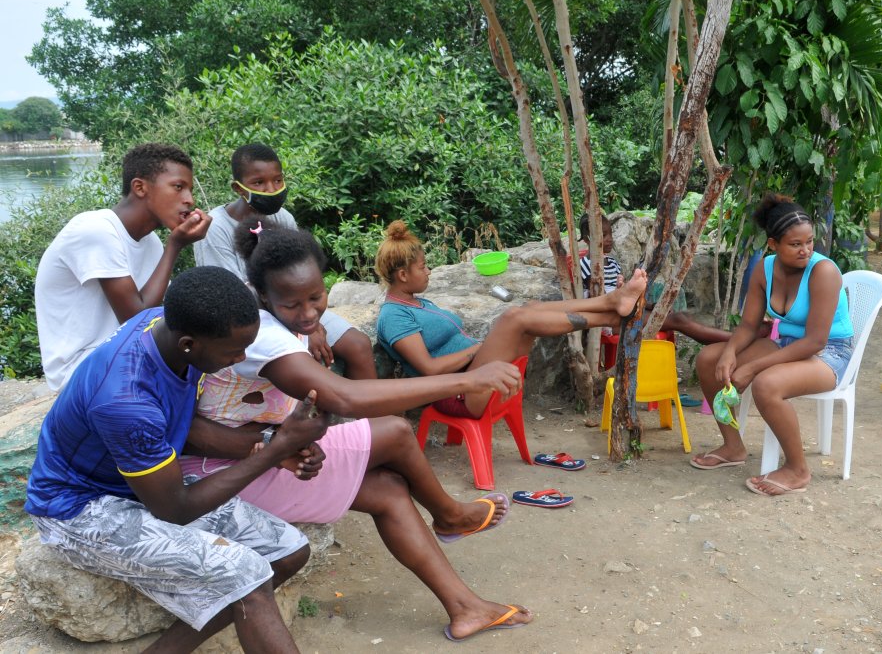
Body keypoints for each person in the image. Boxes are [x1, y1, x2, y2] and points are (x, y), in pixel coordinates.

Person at [181, 218, 533, 641]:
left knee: (387, 489)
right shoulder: (263, 337)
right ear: (262, 295)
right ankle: (451, 516)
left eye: (317, 297)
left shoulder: (278, 326)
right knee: (397, 433)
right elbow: (344, 398)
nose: (310, 312)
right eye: (293, 304)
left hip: (259, 454)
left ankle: (466, 607)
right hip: (225, 474)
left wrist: (303, 332)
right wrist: (467, 379)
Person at [25, 266, 329, 653]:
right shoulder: (125, 399)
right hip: (76, 509)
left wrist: (274, 442)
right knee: (248, 573)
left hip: (140, 484)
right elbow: (175, 509)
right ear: (188, 344)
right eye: (234, 351)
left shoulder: (163, 323)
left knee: (289, 550)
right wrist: (275, 449)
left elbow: (185, 425)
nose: (243, 357)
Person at [376, 219, 648, 419]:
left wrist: (479, 350)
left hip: (478, 376)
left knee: (529, 307)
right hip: (459, 392)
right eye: (423, 267)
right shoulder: (394, 315)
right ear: (402, 275)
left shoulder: (417, 303)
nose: (429, 271)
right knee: (514, 317)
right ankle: (610, 312)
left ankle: (612, 309)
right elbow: (429, 370)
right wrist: (477, 348)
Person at [689, 193, 855, 496]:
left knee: (766, 383)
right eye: (795, 244)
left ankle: (797, 469)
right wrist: (729, 353)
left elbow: (815, 341)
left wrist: (751, 367)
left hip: (829, 352)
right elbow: (750, 325)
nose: (805, 250)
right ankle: (732, 447)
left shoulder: (824, 271)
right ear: (773, 245)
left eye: (809, 242)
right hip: (787, 343)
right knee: (709, 359)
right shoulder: (765, 269)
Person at [35, 142, 211, 390]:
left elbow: (161, 315)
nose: (189, 200)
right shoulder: (96, 229)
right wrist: (175, 246)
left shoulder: (150, 243)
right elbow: (136, 321)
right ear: (140, 187)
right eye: (178, 187)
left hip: (124, 357)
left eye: (190, 190)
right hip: (82, 369)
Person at [193, 143, 377, 379]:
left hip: (296, 307)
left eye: (278, 180)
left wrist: (312, 323)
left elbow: (302, 271)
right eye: (258, 183)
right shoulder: (216, 227)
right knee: (302, 364)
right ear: (238, 189)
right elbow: (231, 297)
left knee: (359, 344)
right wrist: (304, 330)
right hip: (253, 319)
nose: (271, 189)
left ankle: (373, 415)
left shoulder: (282, 217)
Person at [578, 214, 734, 346]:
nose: (609, 239)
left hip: (623, 312)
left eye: (610, 233)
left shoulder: (612, 263)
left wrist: (647, 304)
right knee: (679, 320)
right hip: (609, 321)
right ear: (587, 239)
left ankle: (733, 338)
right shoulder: (586, 265)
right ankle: (734, 341)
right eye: (603, 235)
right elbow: (595, 302)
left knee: (681, 315)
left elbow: (622, 296)